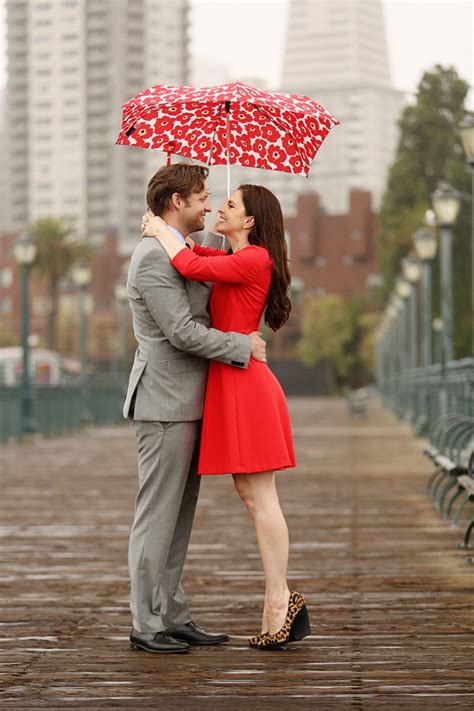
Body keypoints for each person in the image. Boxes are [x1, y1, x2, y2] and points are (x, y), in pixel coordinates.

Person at [142, 184, 311, 650]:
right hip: (234, 380)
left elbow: (190, 264)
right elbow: (198, 255)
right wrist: (174, 236)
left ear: (250, 221)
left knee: (260, 495)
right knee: (251, 492)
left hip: (246, 385)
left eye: (230, 204)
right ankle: (278, 601)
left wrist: (159, 229)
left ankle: (280, 602)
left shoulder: (254, 258)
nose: (219, 207)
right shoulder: (236, 257)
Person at [124, 163, 267, 654]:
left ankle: (173, 614)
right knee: (156, 514)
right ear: (175, 202)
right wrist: (242, 346)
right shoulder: (152, 259)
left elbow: (207, 276)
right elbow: (182, 332)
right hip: (164, 401)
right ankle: (145, 624)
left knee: (178, 517)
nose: (209, 205)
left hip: (189, 400)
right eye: (202, 197)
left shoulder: (176, 248)